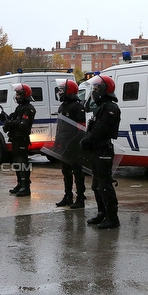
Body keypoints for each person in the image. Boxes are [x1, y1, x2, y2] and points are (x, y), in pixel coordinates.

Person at [80, 75, 121, 229]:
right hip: (97, 149)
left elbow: (101, 129)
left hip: (103, 148)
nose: (94, 92)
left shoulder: (111, 108)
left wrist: (88, 139)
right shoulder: (101, 107)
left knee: (105, 185)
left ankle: (112, 217)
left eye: (97, 89)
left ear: (105, 90)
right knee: (97, 185)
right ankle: (102, 213)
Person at [54, 79, 87, 209]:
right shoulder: (62, 106)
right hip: (64, 144)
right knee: (65, 171)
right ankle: (67, 196)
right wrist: (57, 142)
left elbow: (82, 128)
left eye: (62, 90)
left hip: (74, 145)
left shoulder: (78, 107)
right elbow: (60, 126)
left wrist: (77, 144)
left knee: (77, 172)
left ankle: (80, 197)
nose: (60, 92)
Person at [4, 83, 36, 197]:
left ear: (24, 95)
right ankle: (19, 183)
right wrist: (6, 120)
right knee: (17, 161)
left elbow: (23, 124)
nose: (16, 96)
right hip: (15, 138)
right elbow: (13, 118)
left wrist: (11, 123)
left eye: (18, 94)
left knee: (22, 162)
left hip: (22, 138)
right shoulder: (20, 108)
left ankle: (25, 186)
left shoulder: (29, 109)